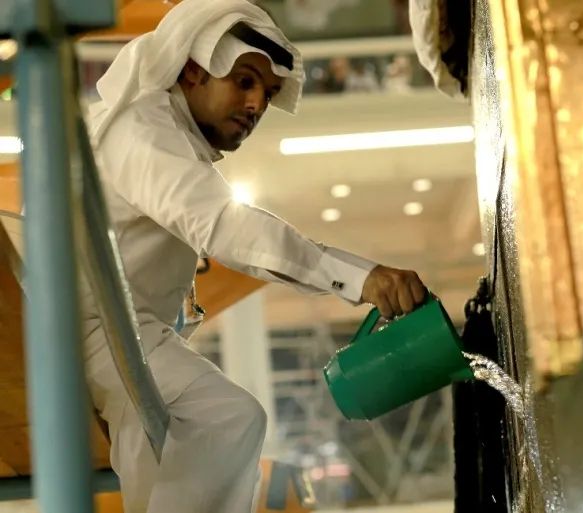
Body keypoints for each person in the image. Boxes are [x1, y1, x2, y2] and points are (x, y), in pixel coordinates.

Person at [82, 1, 427, 512]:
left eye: (266, 93)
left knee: (203, 429)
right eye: (243, 81)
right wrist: (360, 278)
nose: (255, 104)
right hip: (95, 330)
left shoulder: (165, 134)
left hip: (125, 332)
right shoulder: (141, 130)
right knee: (228, 417)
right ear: (193, 70)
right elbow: (224, 226)